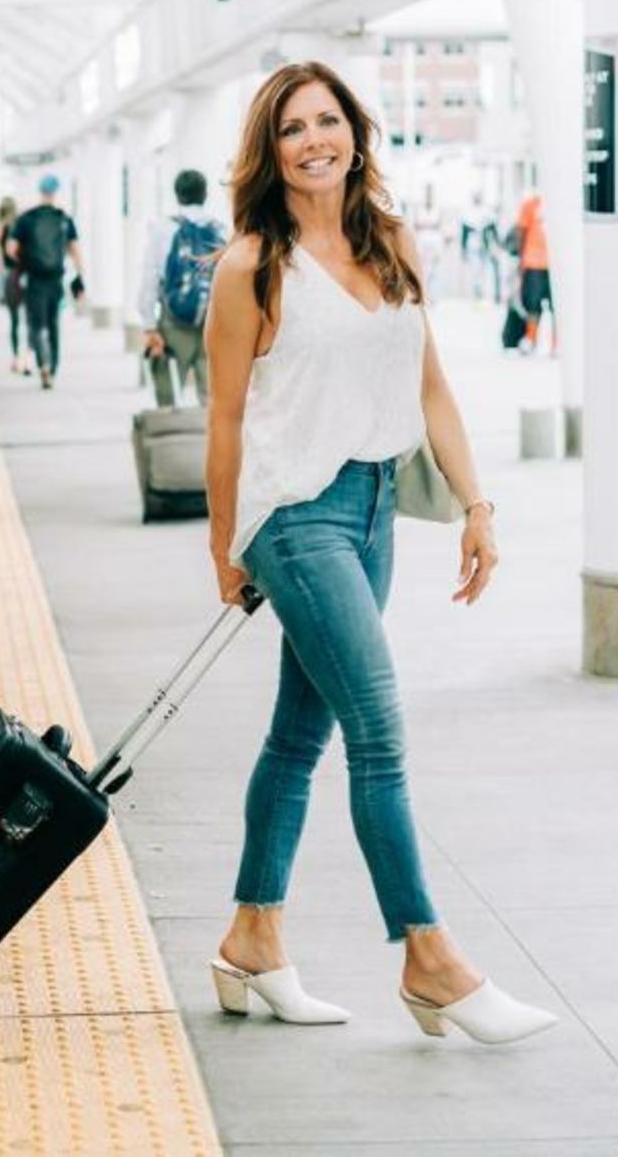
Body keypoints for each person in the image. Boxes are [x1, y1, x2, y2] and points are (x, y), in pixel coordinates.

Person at [203, 63, 556, 1046]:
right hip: (291, 517)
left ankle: (250, 937)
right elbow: (224, 418)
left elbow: (430, 384)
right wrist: (222, 547)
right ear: (267, 152)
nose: (311, 138)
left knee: (296, 737)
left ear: (353, 133)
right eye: (290, 127)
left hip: (369, 511)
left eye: (326, 120)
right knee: (378, 730)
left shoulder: (390, 242)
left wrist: (475, 504)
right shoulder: (251, 266)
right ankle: (430, 959)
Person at [137, 169, 227, 408]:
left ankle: (173, 438)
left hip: (174, 321)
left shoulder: (163, 228)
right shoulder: (220, 229)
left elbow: (151, 277)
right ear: (205, 194)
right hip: (213, 321)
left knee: (168, 392)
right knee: (213, 399)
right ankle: (211, 443)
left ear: (177, 195)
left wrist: (148, 325)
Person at [5, 175, 87, 390]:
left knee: (36, 324)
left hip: (34, 279)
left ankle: (42, 362)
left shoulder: (26, 219)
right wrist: (80, 276)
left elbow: (11, 249)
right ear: (55, 192)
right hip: (55, 279)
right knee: (53, 323)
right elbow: (76, 251)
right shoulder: (64, 218)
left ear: (40, 192)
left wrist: (24, 260)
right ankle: (52, 367)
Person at [0, 197, 30, 374]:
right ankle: (27, 359)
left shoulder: (0, 227)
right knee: (28, 320)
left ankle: (15, 359)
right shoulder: (23, 225)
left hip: (10, 275)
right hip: (26, 275)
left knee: (14, 320)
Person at [513, 194, 553, 352]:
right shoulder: (531, 203)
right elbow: (520, 231)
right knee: (533, 304)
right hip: (534, 261)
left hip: (555, 264)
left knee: (555, 306)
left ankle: (555, 344)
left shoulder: (565, 204)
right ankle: (531, 338)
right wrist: (519, 258)